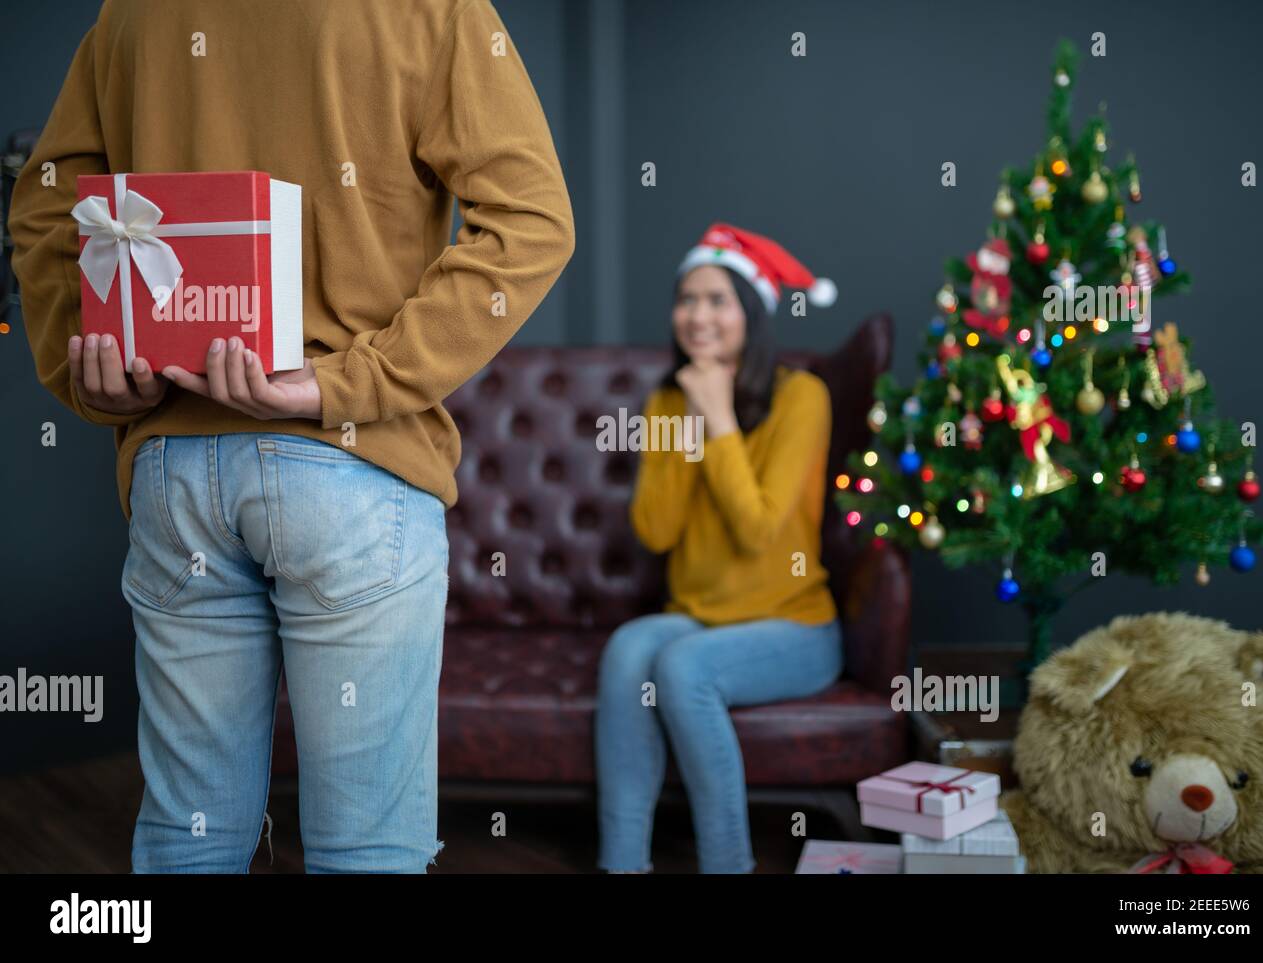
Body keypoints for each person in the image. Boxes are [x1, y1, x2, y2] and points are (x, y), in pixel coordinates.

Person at [8, 0, 574, 873]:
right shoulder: (433, 10)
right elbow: (533, 221)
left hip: (175, 469)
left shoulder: (130, 13)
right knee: (367, 851)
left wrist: (85, 362)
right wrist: (351, 381)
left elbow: (42, 204)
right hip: (352, 469)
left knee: (185, 842)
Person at [595, 223, 842, 873]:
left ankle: (728, 865)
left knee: (683, 667)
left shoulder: (802, 397)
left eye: (716, 300)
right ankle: (622, 864)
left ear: (751, 312)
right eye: (686, 299)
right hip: (701, 613)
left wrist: (720, 419)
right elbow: (657, 530)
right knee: (627, 649)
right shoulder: (668, 400)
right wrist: (687, 416)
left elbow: (757, 529)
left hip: (793, 625)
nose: (696, 315)